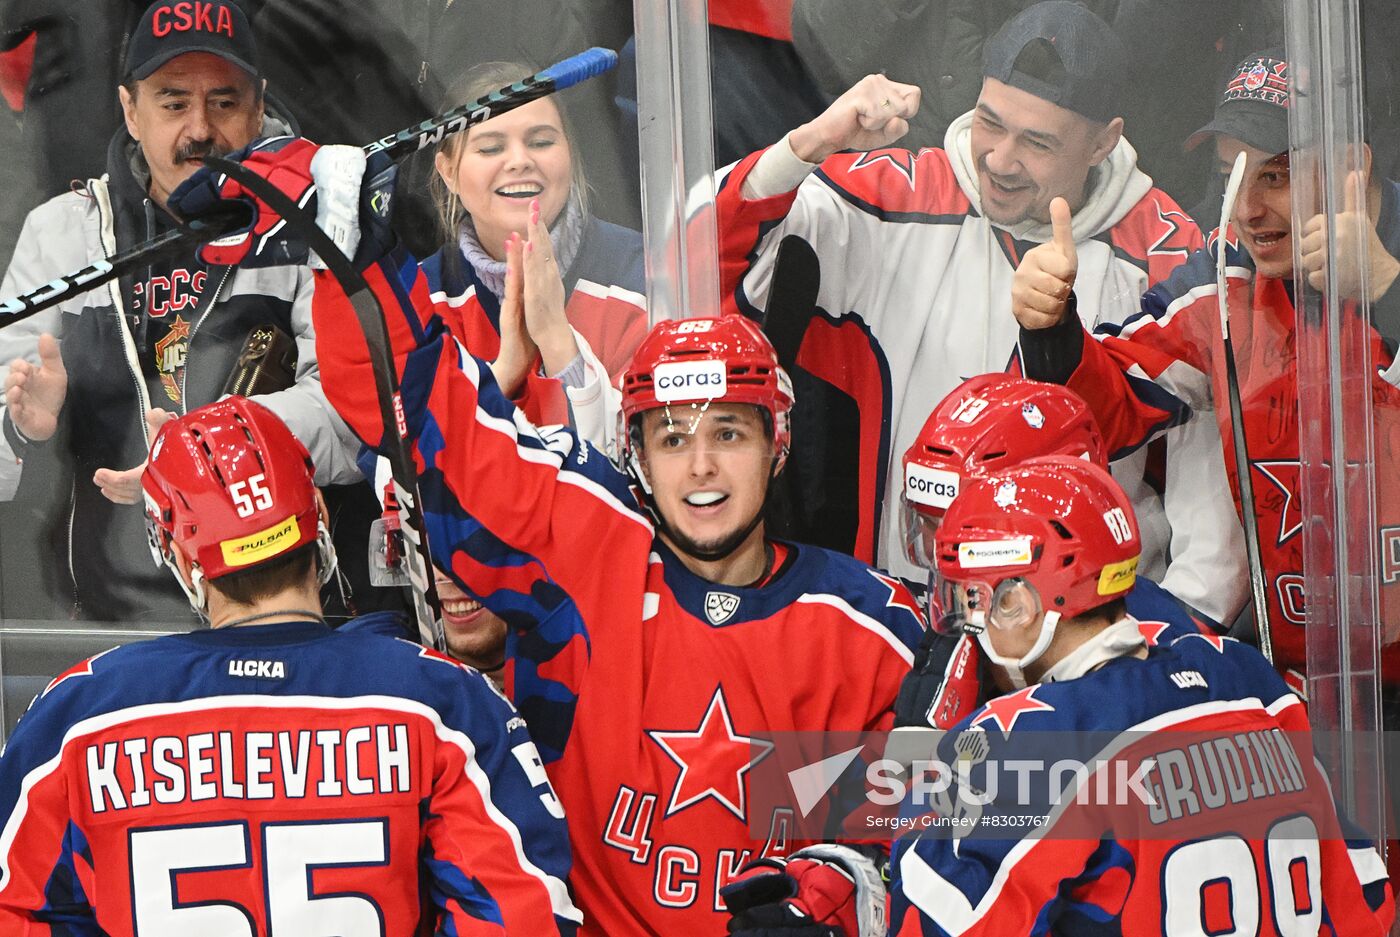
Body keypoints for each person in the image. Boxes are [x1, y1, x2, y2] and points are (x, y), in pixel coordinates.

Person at [715, 0, 1246, 628]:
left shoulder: (1171, 255)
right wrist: (811, 142)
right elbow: (703, 260)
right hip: (910, 620)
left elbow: (1210, 532)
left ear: (1104, 141)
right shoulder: (893, 192)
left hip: (1086, 648)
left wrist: (1151, 668)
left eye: (1037, 141)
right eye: (991, 122)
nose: (998, 158)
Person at [0, 397, 580, 934]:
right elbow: (525, 914)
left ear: (174, 551)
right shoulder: (441, 701)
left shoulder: (78, 717)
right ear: (319, 511)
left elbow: (16, 908)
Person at [1010, 49, 1400, 682]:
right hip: (1292, 681)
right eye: (1231, 175)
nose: (1245, 210)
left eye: (1275, 177)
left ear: (1353, 166)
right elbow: (1108, 409)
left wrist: (1388, 292)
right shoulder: (1227, 277)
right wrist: (1052, 327)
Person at [886, 456, 1395, 934]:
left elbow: (933, 918)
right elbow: (1367, 898)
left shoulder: (1032, 740)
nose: (965, 626)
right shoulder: (1252, 683)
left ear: (1018, 603)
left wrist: (923, 768)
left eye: (969, 598)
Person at [0, 0, 371, 623]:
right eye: (173, 103)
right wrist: (23, 429)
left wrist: (202, 450)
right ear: (129, 111)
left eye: (224, 102)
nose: (199, 128)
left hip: (272, 614)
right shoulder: (62, 233)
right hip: (94, 621)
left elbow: (350, 420)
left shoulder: (315, 224)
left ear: (259, 107)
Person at [893, 374, 1221, 731]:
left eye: (963, 524)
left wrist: (923, 747)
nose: (943, 552)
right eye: (927, 522)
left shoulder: (1160, 636)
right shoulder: (959, 626)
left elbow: (913, 782)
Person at [424, 61, 647, 435]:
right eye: (491, 147)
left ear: (571, 155)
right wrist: (504, 373)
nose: (520, 161)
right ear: (448, 172)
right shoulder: (418, 298)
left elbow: (652, 460)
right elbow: (406, 473)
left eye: (541, 142)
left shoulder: (645, 271)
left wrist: (561, 346)